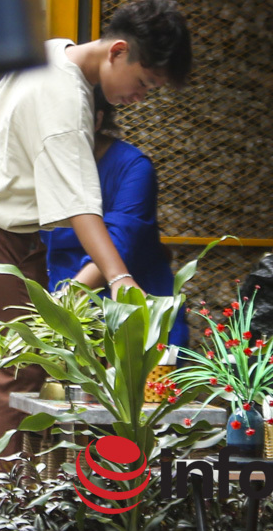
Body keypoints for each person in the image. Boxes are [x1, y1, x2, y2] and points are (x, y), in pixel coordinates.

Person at [0, 0, 192, 531]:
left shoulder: (50, 52)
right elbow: (84, 210)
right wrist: (120, 280)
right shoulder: (67, 100)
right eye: (145, 82)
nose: (139, 97)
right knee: (17, 373)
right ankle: (10, 522)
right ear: (117, 51)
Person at [41, 106, 190, 349]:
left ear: (97, 119)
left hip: (130, 308)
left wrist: (59, 312)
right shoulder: (46, 165)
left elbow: (118, 244)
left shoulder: (133, 167)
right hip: (65, 305)